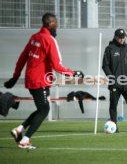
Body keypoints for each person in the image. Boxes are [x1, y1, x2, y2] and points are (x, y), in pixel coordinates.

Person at [4, 13, 84, 149]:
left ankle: (20, 129)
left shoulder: (34, 37)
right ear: (49, 23)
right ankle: (24, 140)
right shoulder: (49, 40)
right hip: (40, 81)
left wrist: (16, 76)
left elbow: (22, 57)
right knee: (44, 110)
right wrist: (74, 73)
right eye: (55, 23)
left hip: (32, 79)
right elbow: (57, 66)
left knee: (41, 109)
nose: (57, 25)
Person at [102, 28, 127, 133]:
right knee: (113, 105)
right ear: (115, 37)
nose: (122, 39)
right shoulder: (110, 48)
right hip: (115, 83)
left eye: (123, 37)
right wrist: (111, 77)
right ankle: (114, 126)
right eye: (120, 37)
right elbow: (105, 65)